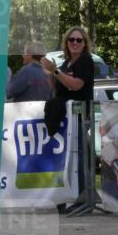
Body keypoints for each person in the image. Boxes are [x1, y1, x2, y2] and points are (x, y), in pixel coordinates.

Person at [41, 27, 95, 203]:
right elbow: (57, 88)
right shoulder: (66, 63)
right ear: (66, 42)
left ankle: (83, 196)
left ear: (85, 43)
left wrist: (56, 72)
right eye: (71, 40)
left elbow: (77, 85)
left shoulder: (85, 61)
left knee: (79, 155)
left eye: (79, 40)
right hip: (66, 115)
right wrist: (49, 74)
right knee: (70, 156)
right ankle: (71, 195)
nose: (75, 43)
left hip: (79, 114)